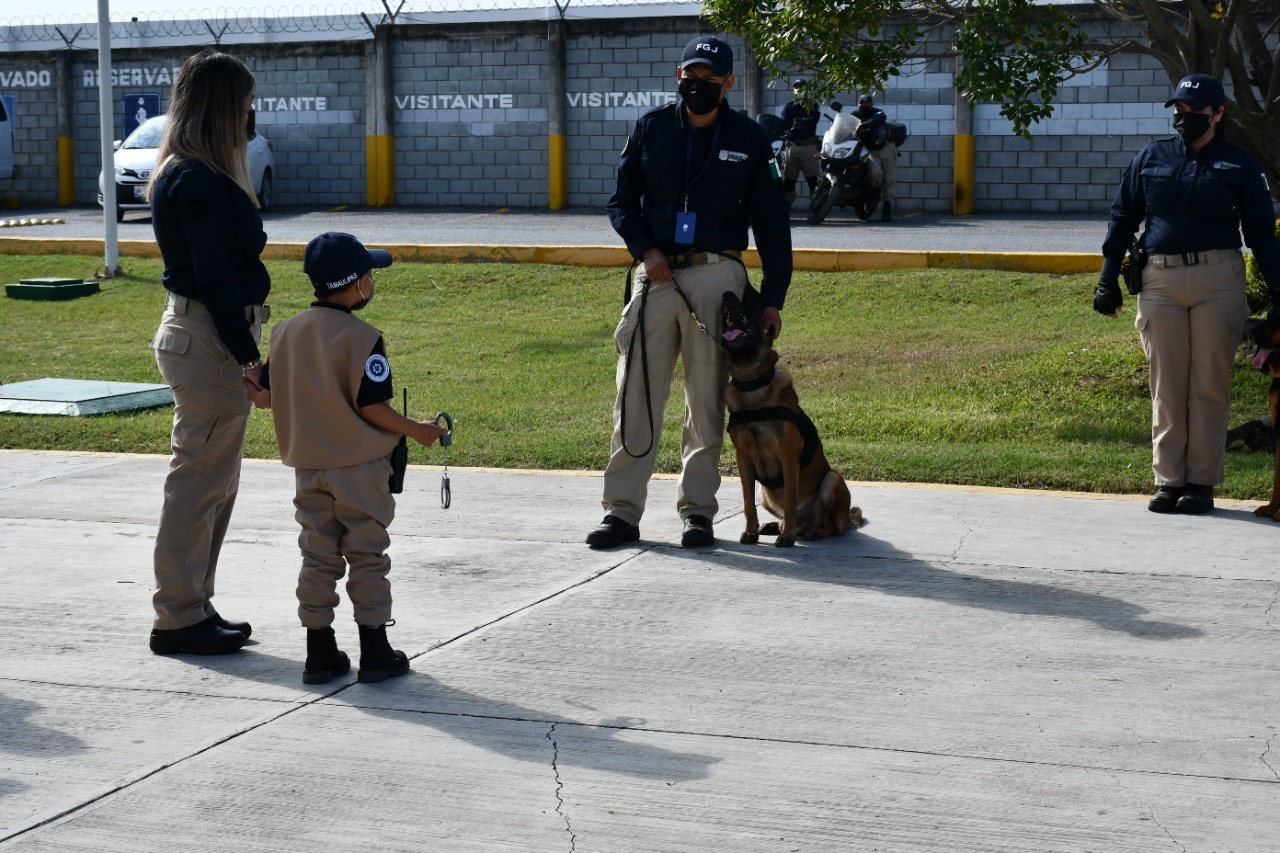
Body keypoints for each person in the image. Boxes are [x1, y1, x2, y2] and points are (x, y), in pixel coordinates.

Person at [589, 35, 793, 549]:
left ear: (727, 83)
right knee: (635, 395)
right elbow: (621, 202)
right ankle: (621, 512)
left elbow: (772, 226)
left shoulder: (749, 139)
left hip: (717, 278)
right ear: (679, 75)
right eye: (690, 74)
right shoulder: (652, 129)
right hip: (656, 275)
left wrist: (772, 298)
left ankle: (697, 512)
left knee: (705, 401)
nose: (697, 84)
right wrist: (645, 250)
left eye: (709, 77)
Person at [244, 232, 448, 684]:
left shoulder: (286, 333)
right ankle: (375, 649)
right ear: (356, 283)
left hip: (308, 468)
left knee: (317, 555)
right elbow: (371, 407)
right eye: (369, 275)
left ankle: (319, 653)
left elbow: (268, 397)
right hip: (359, 469)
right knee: (367, 553)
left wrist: (255, 385)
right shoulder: (364, 338)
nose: (372, 282)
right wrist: (421, 431)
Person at [1095, 73, 1280, 515]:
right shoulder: (1151, 156)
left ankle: (1200, 482)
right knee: (1167, 384)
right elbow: (1123, 218)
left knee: (1209, 384)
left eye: (1195, 112)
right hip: (1159, 279)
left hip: (1219, 278)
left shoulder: (1240, 164)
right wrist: (1105, 279)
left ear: (1217, 114)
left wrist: (1279, 288)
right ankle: (1168, 479)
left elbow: (1260, 233)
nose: (1184, 118)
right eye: (1178, 110)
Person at [146, 50, 269, 656]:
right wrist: (250, 359)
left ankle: (194, 603)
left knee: (216, 483)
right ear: (224, 105)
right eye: (247, 101)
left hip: (209, 336)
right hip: (209, 340)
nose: (254, 112)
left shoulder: (201, 172)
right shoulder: (194, 178)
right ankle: (177, 616)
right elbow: (217, 279)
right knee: (197, 483)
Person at [852, 94, 898, 222]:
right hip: (869, 150)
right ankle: (875, 191)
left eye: (867, 102)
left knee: (890, 178)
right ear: (858, 104)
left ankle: (887, 207)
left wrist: (863, 126)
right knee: (875, 173)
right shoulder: (854, 115)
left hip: (886, 148)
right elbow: (845, 126)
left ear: (871, 104)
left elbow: (880, 118)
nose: (865, 104)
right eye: (862, 102)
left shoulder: (877, 112)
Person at [780, 79, 821, 207]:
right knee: (789, 181)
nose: (798, 89)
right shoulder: (789, 105)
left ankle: (816, 208)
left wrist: (799, 121)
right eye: (796, 87)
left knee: (812, 180)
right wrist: (794, 124)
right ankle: (785, 209)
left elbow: (813, 119)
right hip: (791, 147)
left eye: (801, 87)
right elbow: (783, 120)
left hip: (808, 146)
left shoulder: (812, 105)